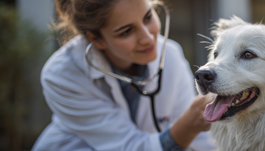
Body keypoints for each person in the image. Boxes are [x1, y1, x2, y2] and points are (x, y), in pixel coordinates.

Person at [32, 0, 215, 150]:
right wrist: (189, 124)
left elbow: (202, 143)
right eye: (126, 31)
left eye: (148, 17)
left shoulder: (171, 55)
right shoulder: (63, 74)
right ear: (96, 39)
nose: (148, 38)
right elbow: (128, 146)